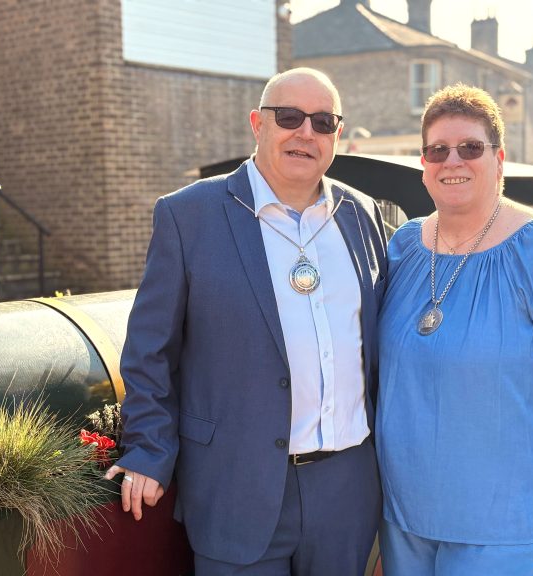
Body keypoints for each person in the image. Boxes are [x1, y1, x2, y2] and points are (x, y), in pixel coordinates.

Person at [105, 67, 388, 575]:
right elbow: (150, 350)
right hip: (235, 483)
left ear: (337, 136)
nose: (306, 132)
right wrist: (147, 449)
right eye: (290, 117)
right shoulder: (188, 215)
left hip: (347, 490)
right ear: (257, 123)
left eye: (323, 121)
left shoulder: (361, 214)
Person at [376, 83, 533, 575]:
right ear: (424, 164)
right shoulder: (402, 248)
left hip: (511, 523)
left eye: (471, 148)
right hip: (405, 516)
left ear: (499, 158)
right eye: (438, 150)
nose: (453, 161)